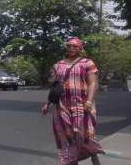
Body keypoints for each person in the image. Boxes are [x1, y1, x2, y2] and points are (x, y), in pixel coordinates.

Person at [41, 37, 104, 165]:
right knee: (67, 135)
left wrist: (89, 101)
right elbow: (55, 87)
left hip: (82, 104)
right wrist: (47, 103)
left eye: (75, 46)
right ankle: (72, 161)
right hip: (62, 105)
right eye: (69, 45)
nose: (71, 48)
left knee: (85, 135)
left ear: (80, 48)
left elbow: (92, 84)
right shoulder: (58, 65)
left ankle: (93, 155)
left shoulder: (87, 63)